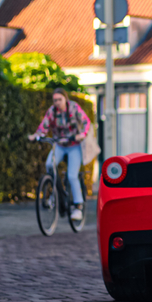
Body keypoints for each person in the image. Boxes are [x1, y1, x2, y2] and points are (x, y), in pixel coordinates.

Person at [28, 88, 90, 220]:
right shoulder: (52, 111)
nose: (57, 102)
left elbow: (86, 121)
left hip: (74, 145)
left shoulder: (73, 108)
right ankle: (56, 194)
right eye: (55, 100)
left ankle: (78, 206)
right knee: (49, 165)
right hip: (60, 145)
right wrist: (37, 135)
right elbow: (44, 126)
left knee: (72, 175)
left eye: (59, 99)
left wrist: (82, 135)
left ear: (65, 99)